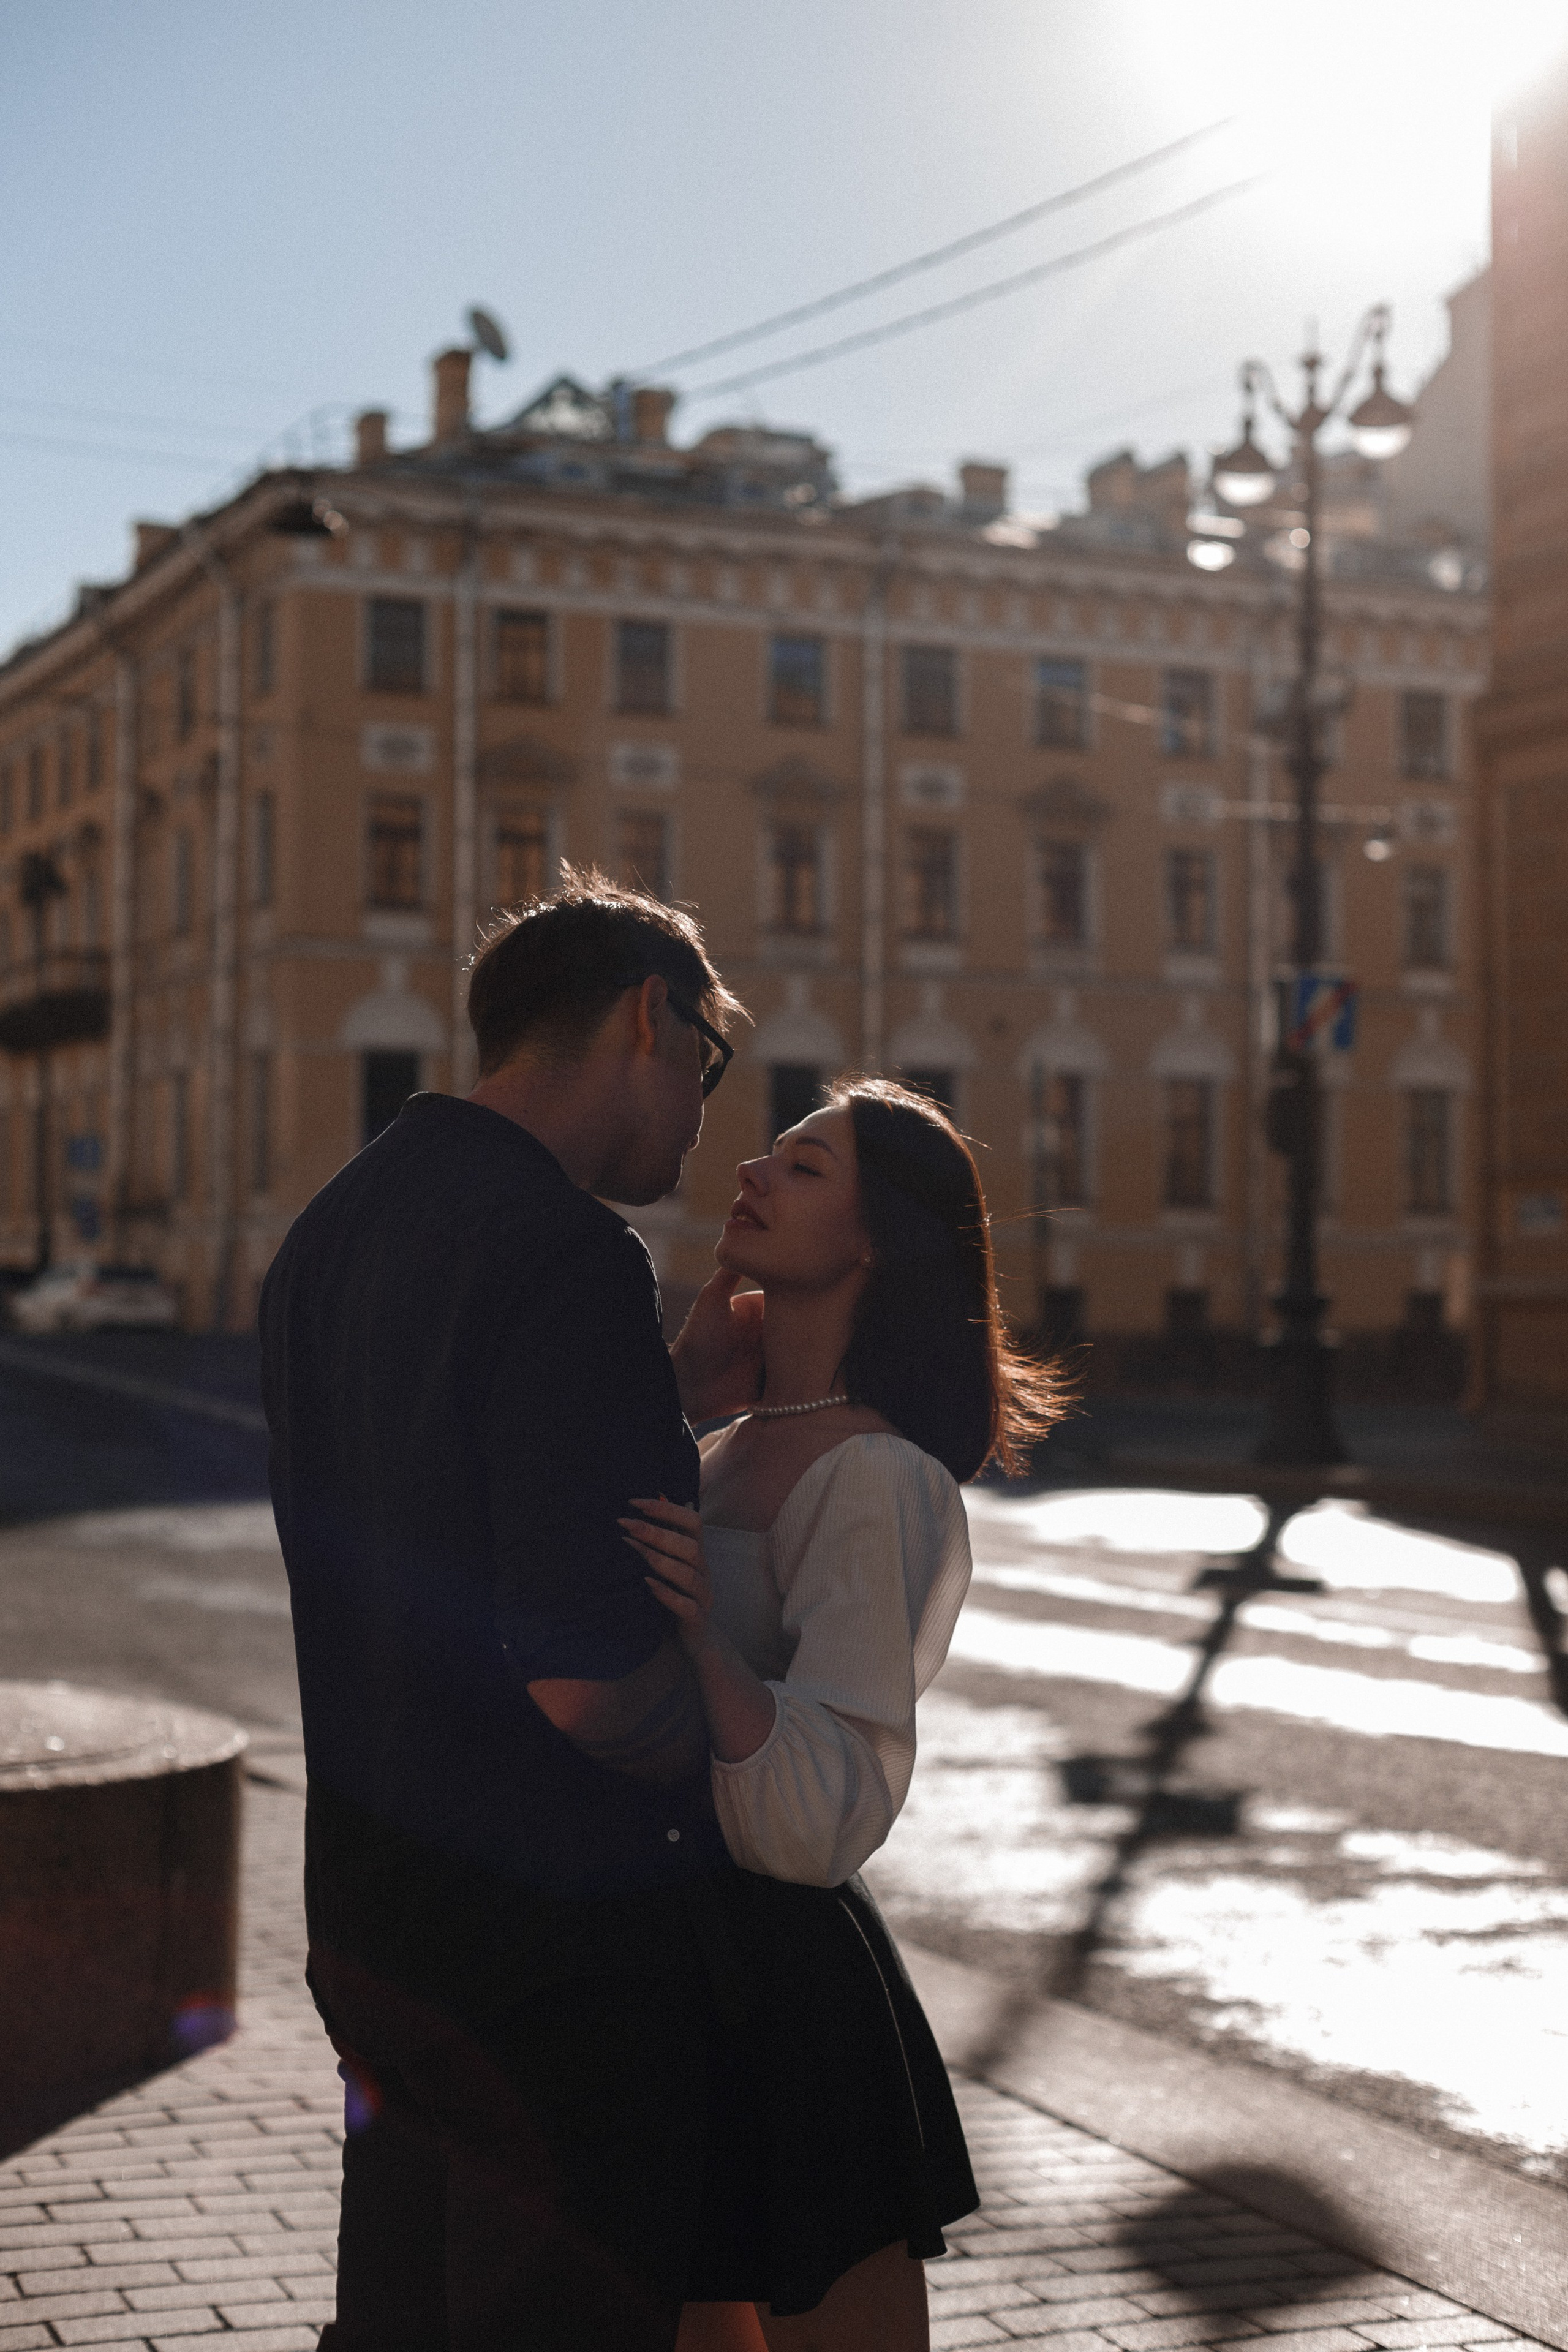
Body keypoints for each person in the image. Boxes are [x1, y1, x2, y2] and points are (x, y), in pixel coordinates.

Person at [259, 872, 765, 2352]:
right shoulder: (566, 1252)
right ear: (647, 1017)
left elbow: (435, 1501)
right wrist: (727, 1728)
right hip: (552, 1968)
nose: (702, 1117)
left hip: (375, 1923)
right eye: (706, 1061)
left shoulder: (329, 1233)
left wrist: (656, 1404)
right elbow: (588, 1684)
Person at [623, 1079, 1066, 2352]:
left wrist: (702, 1640)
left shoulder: (874, 1473)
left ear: (876, 1240)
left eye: (805, 1166)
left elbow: (829, 1811)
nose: (752, 1171)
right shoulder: (721, 1447)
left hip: (784, 1984)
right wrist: (677, 1403)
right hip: (671, 1962)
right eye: (771, 1152)